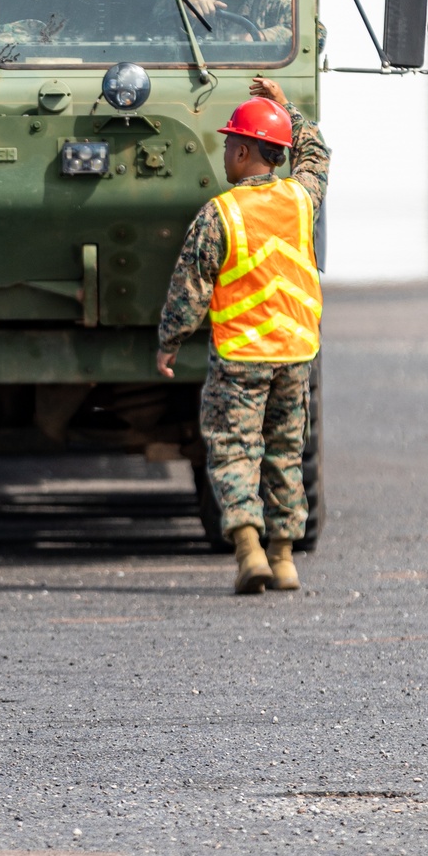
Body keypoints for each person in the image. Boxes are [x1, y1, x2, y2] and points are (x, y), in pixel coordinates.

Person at [155, 77, 330, 594]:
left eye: (231, 144)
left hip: (241, 357)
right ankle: (284, 558)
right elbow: (316, 150)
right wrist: (285, 109)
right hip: (296, 353)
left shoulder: (221, 213)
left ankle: (249, 550)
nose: (226, 152)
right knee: (284, 452)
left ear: (247, 151)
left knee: (235, 450)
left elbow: (189, 288)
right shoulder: (302, 200)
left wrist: (169, 341)